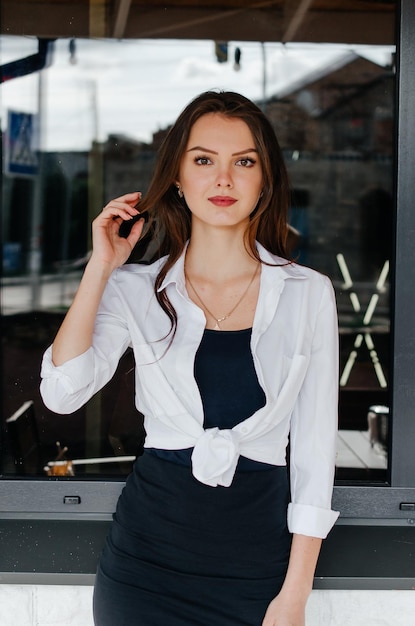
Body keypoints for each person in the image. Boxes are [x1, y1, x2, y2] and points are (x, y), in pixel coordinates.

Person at [40, 90, 339, 626]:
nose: (223, 180)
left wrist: (295, 594)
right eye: (203, 160)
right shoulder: (133, 288)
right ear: (177, 177)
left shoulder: (307, 293)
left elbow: (315, 452)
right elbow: (63, 394)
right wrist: (100, 269)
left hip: (258, 571)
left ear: (265, 179)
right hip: (144, 567)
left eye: (243, 162)